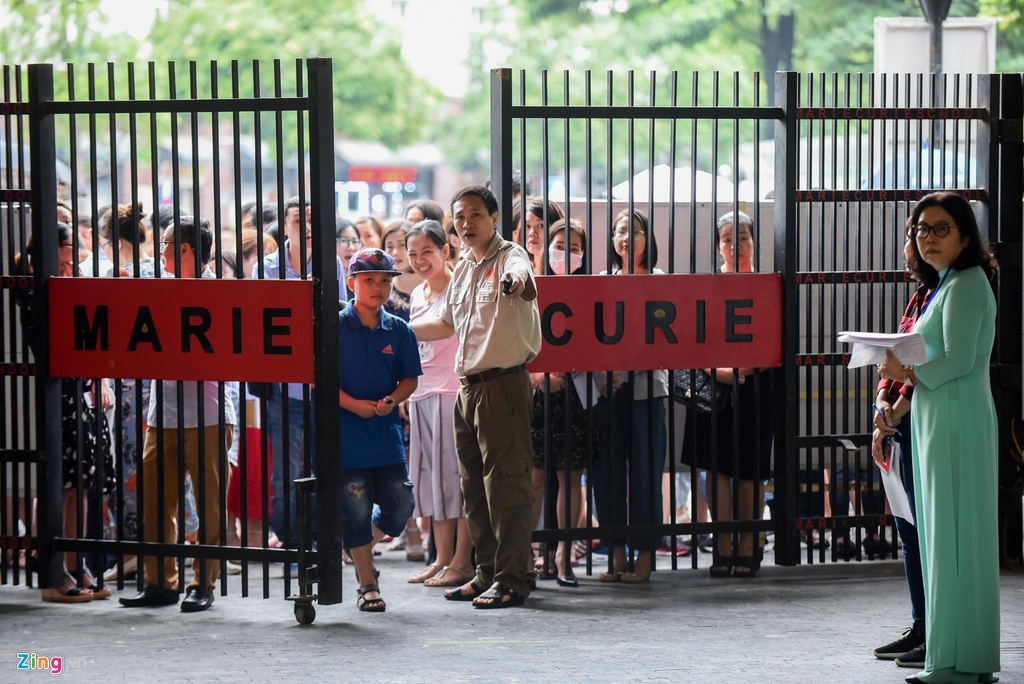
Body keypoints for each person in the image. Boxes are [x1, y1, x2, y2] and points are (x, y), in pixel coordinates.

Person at [876, 192, 1000, 684]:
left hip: (956, 420)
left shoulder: (968, 283)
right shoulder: (948, 284)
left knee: (954, 539)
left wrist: (899, 368)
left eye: (941, 228)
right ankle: (957, 659)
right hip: (938, 416)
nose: (928, 237)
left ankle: (958, 662)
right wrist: (903, 383)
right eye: (921, 229)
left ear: (965, 235)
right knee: (943, 540)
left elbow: (960, 363)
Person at [411, 185, 541, 609]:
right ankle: (486, 573)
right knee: (475, 490)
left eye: (475, 215)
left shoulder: (510, 257)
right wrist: (394, 328)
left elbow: (522, 279)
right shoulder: (465, 266)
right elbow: (443, 324)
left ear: (495, 217)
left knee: (507, 488)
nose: (466, 224)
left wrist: (512, 283)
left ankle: (512, 578)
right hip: (466, 390)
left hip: (502, 386)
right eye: (460, 217)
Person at [120, 215, 235, 612]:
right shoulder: (157, 290)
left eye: (166, 243)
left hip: (208, 411)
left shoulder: (220, 291)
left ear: (185, 249)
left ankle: (203, 583)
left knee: (210, 505)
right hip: (163, 412)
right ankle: (160, 583)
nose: (159, 250)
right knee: (155, 502)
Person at [16, 222, 116, 603]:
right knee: (60, 485)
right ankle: (53, 570)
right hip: (55, 393)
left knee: (79, 484)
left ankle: (75, 564)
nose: (73, 257)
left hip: (78, 392)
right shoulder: (30, 291)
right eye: (67, 249)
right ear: (48, 250)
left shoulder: (67, 285)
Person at [680, 210, 775, 579]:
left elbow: (773, 337)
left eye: (743, 238)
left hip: (756, 386)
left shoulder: (767, 282)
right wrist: (719, 371)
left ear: (755, 243)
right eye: (727, 239)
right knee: (715, 467)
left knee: (750, 469)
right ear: (718, 246)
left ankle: (749, 547)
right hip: (711, 387)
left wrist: (744, 370)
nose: (735, 245)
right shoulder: (706, 284)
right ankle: (723, 547)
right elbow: (694, 335)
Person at [337, 247, 421, 612]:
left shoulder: (399, 329)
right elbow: (319, 381)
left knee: (400, 505)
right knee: (354, 511)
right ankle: (367, 583)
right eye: (369, 280)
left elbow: (409, 380)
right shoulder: (334, 327)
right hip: (346, 438)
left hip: (385, 437)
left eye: (385, 281)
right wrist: (355, 405)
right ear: (351, 282)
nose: (378, 287)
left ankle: (357, 549)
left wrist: (391, 400)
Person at [261, 197, 346, 549]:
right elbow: (262, 319)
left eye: (312, 220)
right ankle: (292, 539)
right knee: (285, 474)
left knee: (326, 467)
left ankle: (321, 539)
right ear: (285, 225)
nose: (306, 227)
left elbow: (341, 314)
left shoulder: (332, 262)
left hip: (323, 385)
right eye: (298, 219)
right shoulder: (266, 267)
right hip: (283, 389)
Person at [591, 208, 668, 584]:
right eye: (620, 231)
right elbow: (590, 342)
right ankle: (616, 553)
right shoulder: (602, 282)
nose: (625, 238)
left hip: (648, 391)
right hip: (608, 392)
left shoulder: (660, 281)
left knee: (646, 474)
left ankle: (645, 557)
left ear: (647, 239)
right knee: (607, 475)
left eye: (634, 231)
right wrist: (600, 383)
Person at [403, 220, 474, 586]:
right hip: (422, 394)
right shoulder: (418, 295)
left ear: (445, 250)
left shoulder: (458, 286)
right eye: (413, 254)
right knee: (432, 483)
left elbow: (446, 329)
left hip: (450, 393)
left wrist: (392, 326)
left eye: (427, 252)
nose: (420, 260)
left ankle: (463, 562)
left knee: (455, 482)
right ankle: (443, 559)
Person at [870, 235, 928, 670]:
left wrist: (894, 409)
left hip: (921, 418)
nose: (909, 255)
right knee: (909, 532)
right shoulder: (919, 296)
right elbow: (892, 356)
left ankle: (933, 629)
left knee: (924, 533)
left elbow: (924, 362)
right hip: (899, 419)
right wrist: (881, 405)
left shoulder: (945, 295)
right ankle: (921, 623)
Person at [529, 218, 590, 588]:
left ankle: (565, 557)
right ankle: (533, 555)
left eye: (574, 247)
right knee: (536, 479)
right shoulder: (529, 285)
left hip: (577, 394)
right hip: (538, 395)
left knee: (571, 479)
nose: (565, 252)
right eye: (559, 244)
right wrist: (535, 375)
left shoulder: (588, 288)